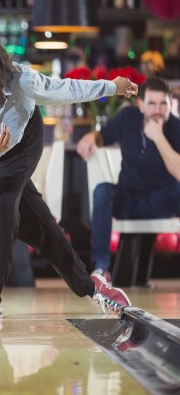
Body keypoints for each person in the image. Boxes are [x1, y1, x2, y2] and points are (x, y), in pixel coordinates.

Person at [0, 27, 136, 319]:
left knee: (2, 197)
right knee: (39, 228)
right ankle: (92, 288)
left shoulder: (20, 80)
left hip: (23, 142)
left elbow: (63, 90)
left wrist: (111, 87)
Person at [76, 76, 180, 282]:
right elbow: (103, 136)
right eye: (152, 103)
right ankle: (101, 268)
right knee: (102, 190)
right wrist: (92, 137)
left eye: (163, 104)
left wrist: (158, 137)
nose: (157, 110)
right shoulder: (128, 117)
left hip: (162, 203)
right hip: (129, 199)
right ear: (141, 105)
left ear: (171, 105)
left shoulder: (176, 127)